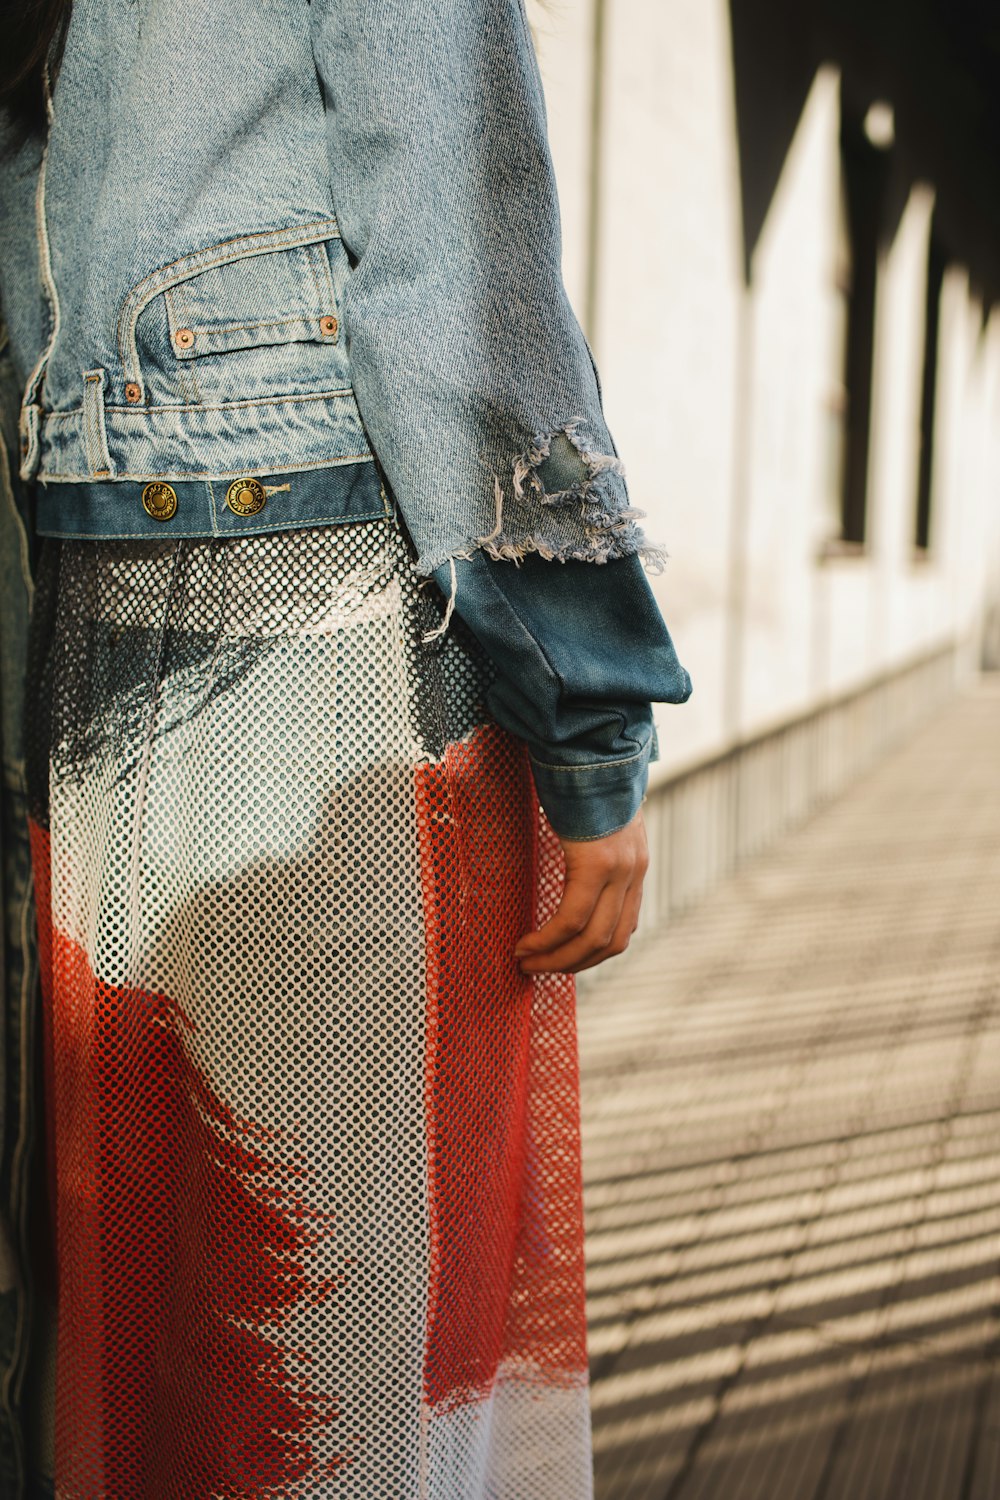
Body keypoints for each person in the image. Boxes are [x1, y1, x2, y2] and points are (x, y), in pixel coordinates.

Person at [0, 2, 692, 1496]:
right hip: (327, 614)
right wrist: (589, 723)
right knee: (345, 1305)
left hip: (92, 593)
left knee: (179, 1292)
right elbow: (455, 266)